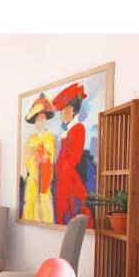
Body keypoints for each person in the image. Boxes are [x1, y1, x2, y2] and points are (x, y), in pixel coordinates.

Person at [52, 83, 94, 227]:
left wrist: (63, 170)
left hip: (69, 177)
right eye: (61, 111)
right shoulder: (68, 131)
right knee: (62, 210)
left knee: (73, 208)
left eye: (65, 110)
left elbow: (74, 156)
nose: (62, 114)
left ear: (72, 110)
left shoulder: (78, 128)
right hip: (63, 178)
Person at [22, 93, 56, 223]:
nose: (39, 122)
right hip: (32, 180)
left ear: (45, 120)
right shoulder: (31, 138)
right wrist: (34, 151)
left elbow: (47, 156)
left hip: (44, 179)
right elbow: (27, 155)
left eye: (42, 119)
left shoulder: (49, 136)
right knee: (30, 207)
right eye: (37, 120)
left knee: (44, 207)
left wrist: (36, 151)